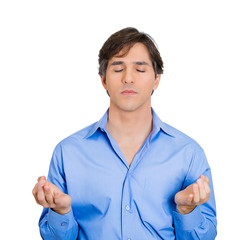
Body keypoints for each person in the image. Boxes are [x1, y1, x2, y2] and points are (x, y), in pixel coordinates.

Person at [32, 27, 217, 240]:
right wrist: (60, 212)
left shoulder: (188, 153)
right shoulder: (68, 152)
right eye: (118, 69)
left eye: (140, 70)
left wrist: (187, 211)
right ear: (103, 80)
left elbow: (206, 236)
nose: (128, 78)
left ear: (156, 79)